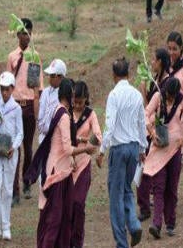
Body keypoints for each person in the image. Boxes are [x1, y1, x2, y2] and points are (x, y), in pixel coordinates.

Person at [25, 79, 94, 248]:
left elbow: (62, 138)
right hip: (58, 172)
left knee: (62, 216)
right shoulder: (63, 115)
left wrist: (79, 140)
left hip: (60, 170)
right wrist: (85, 149)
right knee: (55, 219)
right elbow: (68, 148)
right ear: (69, 95)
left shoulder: (58, 110)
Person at [97, 58, 147, 248]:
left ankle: (121, 242)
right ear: (128, 74)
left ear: (113, 75)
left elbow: (109, 125)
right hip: (134, 147)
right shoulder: (136, 95)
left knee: (115, 196)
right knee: (127, 189)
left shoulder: (114, 95)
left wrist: (102, 150)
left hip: (118, 150)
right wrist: (142, 149)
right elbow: (141, 123)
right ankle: (134, 225)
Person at [143, 77, 183, 238]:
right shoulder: (158, 97)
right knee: (159, 187)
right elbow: (145, 114)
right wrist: (151, 132)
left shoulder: (181, 100)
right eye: (169, 95)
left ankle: (170, 223)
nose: (171, 98)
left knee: (171, 188)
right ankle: (156, 224)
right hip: (159, 148)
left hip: (175, 150)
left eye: (173, 96)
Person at [5, 18, 42, 202]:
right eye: (22, 33)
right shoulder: (12, 57)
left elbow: (37, 88)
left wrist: (37, 112)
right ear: (17, 35)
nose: (25, 37)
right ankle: (14, 190)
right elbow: (7, 83)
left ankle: (27, 181)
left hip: (28, 106)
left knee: (27, 146)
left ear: (31, 34)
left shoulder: (34, 57)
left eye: (28, 33)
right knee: (14, 148)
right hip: (15, 105)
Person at [0, 72, 23, 241]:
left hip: (11, 152)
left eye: (7, 89)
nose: (4, 92)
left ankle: (6, 225)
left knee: (7, 189)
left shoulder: (16, 109)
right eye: (2, 89)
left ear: (12, 89)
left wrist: (14, 147)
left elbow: (20, 133)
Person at [71, 81, 102, 248]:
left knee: (78, 203)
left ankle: (77, 242)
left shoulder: (90, 114)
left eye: (80, 102)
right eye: (75, 101)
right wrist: (82, 140)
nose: (77, 105)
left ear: (86, 100)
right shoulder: (66, 112)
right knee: (67, 205)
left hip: (82, 164)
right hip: (67, 164)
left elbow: (97, 135)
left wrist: (87, 142)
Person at [37, 59, 67, 144]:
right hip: (42, 137)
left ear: (60, 77)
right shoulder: (45, 92)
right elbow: (41, 112)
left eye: (52, 76)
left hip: (55, 139)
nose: (49, 78)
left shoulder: (63, 95)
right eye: (49, 75)